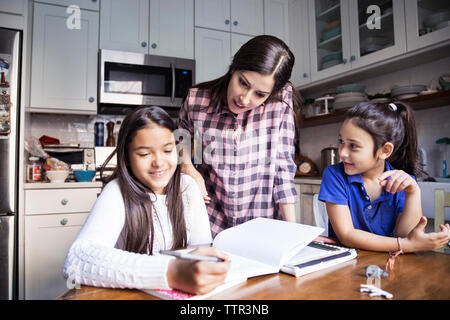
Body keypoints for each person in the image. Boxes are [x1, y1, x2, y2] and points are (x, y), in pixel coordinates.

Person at [63, 106, 229, 295]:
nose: (159, 162)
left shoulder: (188, 188)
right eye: (144, 154)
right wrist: (171, 271)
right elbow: (76, 260)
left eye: (167, 150)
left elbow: (200, 252)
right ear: (126, 157)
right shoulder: (117, 192)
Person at [178, 35, 303, 237]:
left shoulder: (280, 103)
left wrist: (293, 232)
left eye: (259, 94)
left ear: (272, 93)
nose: (245, 99)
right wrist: (188, 167)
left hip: (263, 225)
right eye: (243, 83)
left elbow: (283, 167)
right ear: (233, 68)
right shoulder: (197, 100)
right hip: (210, 222)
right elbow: (181, 139)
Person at [319, 101, 450, 256]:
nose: (343, 153)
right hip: (344, 266)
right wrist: (405, 245)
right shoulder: (334, 175)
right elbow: (347, 235)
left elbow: (406, 234)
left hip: (389, 265)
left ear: (385, 150)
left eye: (353, 146)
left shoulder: (403, 181)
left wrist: (413, 192)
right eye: (342, 142)